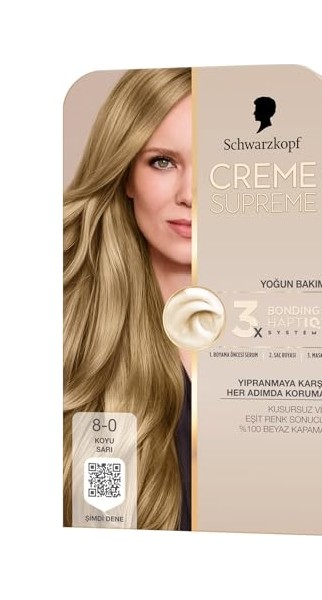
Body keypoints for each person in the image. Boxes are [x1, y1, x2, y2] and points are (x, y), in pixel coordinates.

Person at [63, 68, 192, 530]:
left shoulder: (294, 325)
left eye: (219, 166)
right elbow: (96, 519)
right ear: (126, 175)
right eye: (163, 162)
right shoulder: (70, 322)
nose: (190, 195)